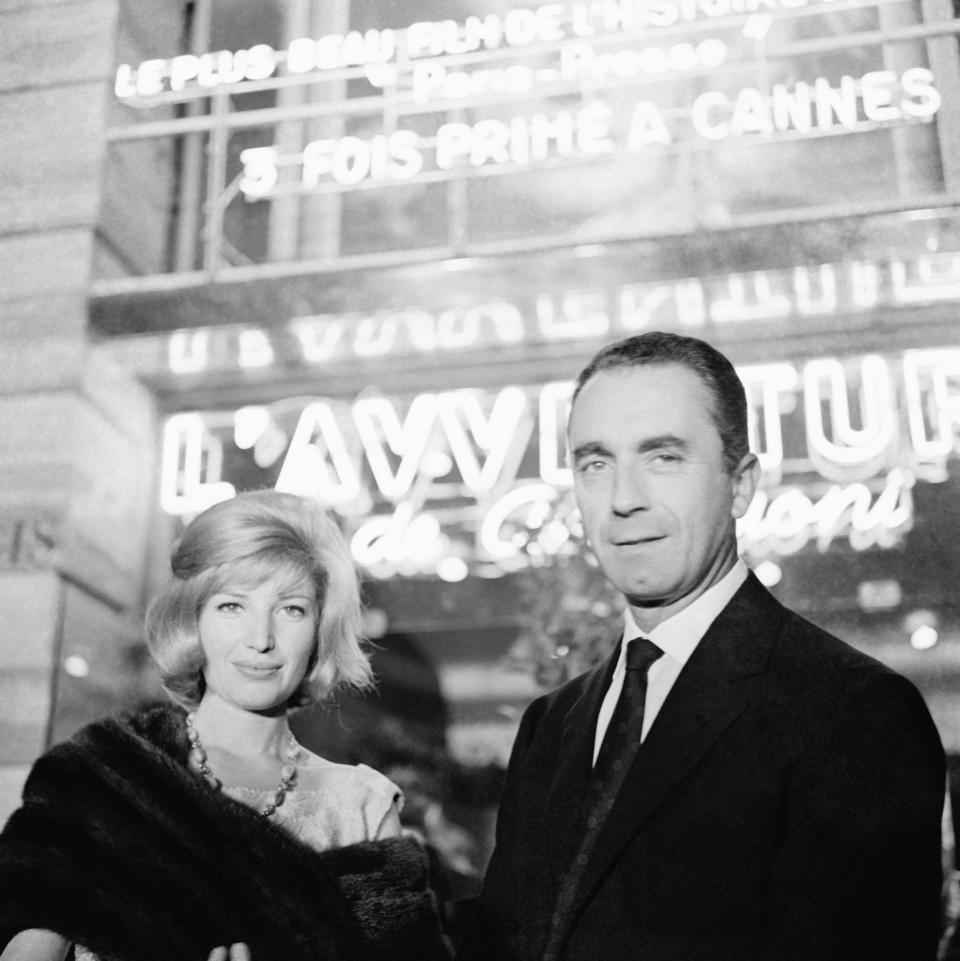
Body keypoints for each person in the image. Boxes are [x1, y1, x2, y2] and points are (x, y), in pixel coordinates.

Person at [457, 331, 946, 961]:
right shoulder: (551, 726)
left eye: (663, 457)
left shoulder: (852, 712)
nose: (624, 499)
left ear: (740, 484)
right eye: (596, 463)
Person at [0, 490, 451, 961]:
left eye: (291, 609)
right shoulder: (102, 780)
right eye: (232, 606)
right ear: (193, 619)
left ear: (320, 629)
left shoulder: (360, 806)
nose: (261, 640)